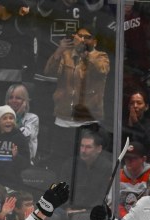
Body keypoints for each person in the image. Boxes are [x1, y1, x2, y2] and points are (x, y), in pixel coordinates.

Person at [44, 25, 110, 165]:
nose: (82, 40)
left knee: (85, 162)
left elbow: (102, 70)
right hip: (63, 118)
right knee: (59, 161)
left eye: (87, 37)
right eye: (80, 36)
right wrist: (59, 50)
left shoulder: (101, 56)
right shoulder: (65, 55)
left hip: (87, 121)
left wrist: (87, 55)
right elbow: (49, 72)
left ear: (95, 41)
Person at [0, 105, 30, 190]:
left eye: (11, 118)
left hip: (12, 183)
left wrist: (16, 156)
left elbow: (26, 163)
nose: (8, 121)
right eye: (4, 118)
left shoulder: (19, 137)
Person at [5, 83, 39, 165]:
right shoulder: (1, 117)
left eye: (18, 98)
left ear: (25, 101)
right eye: (11, 97)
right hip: (4, 159)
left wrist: (18, 115)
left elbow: (21, 137)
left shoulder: (33, 118)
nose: (14, 101)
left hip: (24, 161)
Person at [118, 142, 150, 217]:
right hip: (122, 219)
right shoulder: (118, 176)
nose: (129, 161)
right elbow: (112, 203)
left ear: (143, 159)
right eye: (127, 157)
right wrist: (126, 218)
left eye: (133, 158)